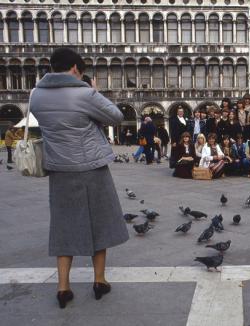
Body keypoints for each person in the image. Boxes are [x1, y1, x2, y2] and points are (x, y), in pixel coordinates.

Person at [30, 48, 128, 308]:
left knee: (63, 227)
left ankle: (63, 288)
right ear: (75, 68)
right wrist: (93, 90)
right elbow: (116, 117)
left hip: (59, 170)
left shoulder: (36, 95)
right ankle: (99, 280)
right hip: (91, 168)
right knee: (100, 225)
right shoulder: (84, 94)